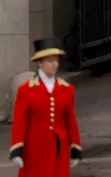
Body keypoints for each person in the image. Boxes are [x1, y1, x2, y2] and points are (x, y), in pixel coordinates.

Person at [10, 37, 82, 177]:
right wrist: (17, 149)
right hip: (34, 149)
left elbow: (71, 121)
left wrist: (75, 147)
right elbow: (20, 122)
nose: (55, 64)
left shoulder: (67, 89)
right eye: (50, 61)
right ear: (39, 63)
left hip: (59, 148)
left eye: (56, 60)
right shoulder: (26, 90)